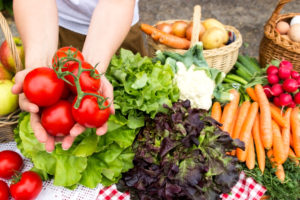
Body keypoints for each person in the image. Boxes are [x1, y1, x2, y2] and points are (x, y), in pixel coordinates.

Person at [11, 0, 146, 153]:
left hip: (114, 28)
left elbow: (116, 4)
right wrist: (39, 63)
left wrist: (92, 68)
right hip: (47, 25)